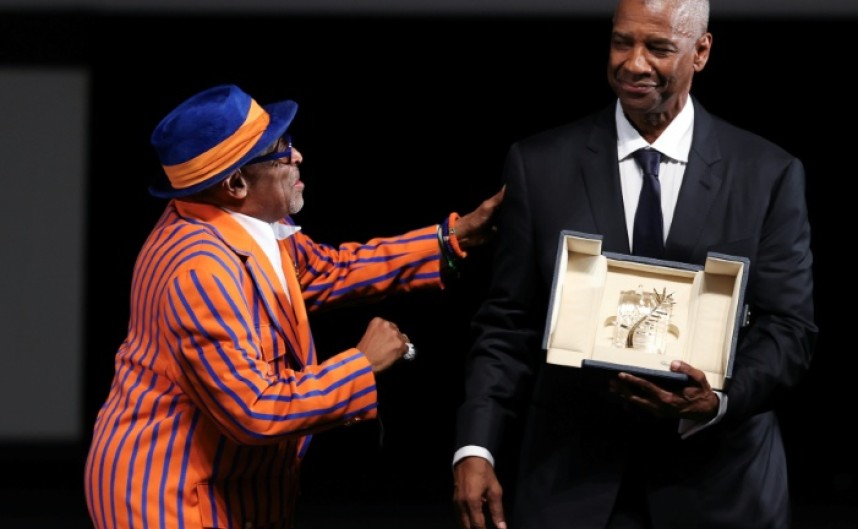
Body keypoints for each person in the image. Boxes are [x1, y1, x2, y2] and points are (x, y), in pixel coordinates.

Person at [451, 0, 817, 528]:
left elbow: (790, 329)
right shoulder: (540, 164)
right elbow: (507, 324)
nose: (634, 63)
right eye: (623, 42)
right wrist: (475, 447)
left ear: (701, 52)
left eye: (659, 47)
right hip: (572, 486)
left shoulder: (768, 173)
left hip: (720, 489)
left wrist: (716, 400)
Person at [83, 83, 504, 529]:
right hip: (168, 499)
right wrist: (360, 364)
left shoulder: (242, 220)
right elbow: (256, 410)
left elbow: (327, 269)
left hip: (234, 486)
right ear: (235, 182)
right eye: (280, 149)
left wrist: (452, 238)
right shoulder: (199, 270)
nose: (297, 155)